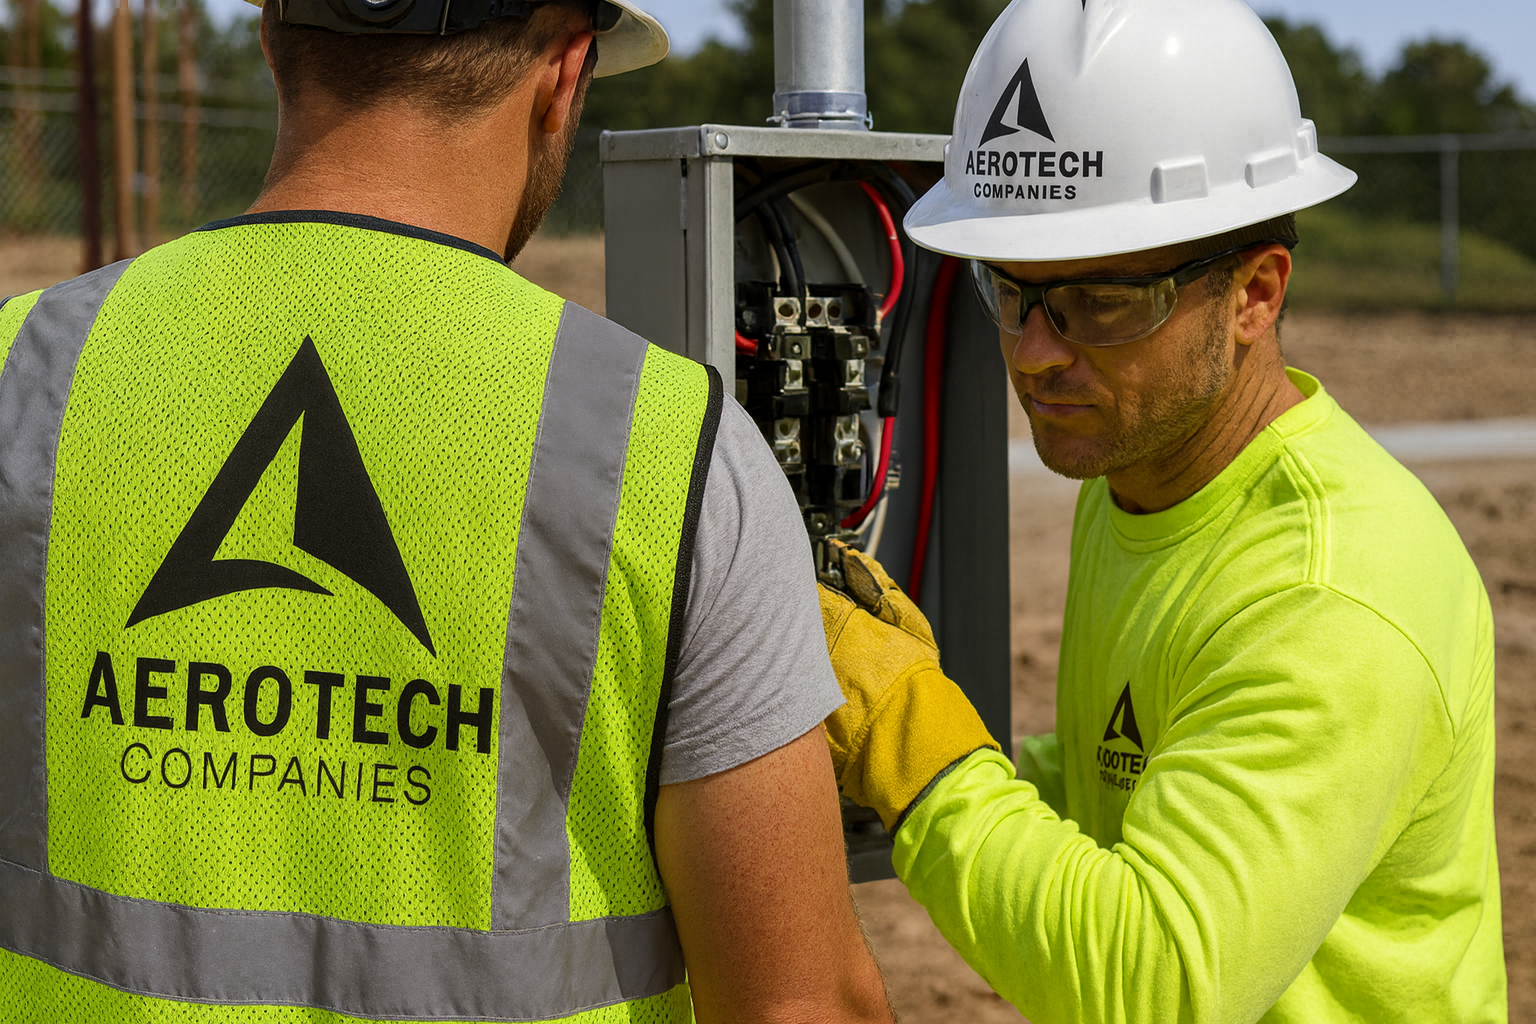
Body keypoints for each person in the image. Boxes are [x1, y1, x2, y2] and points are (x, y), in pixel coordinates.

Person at [0, 2, 893, 1021]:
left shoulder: (21, 370)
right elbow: (797, 1003)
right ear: (566, 70)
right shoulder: (667, 447)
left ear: (272, 42)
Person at [820, 0, 1507, 1021]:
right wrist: (974, 759)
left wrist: (909, 731)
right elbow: (1137, 778)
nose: (1039, 354)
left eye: (1102, 303)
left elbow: (1153, 983)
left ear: (1255, 295)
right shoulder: (1141, 473)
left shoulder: (1332, 593)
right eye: (1013, 293)